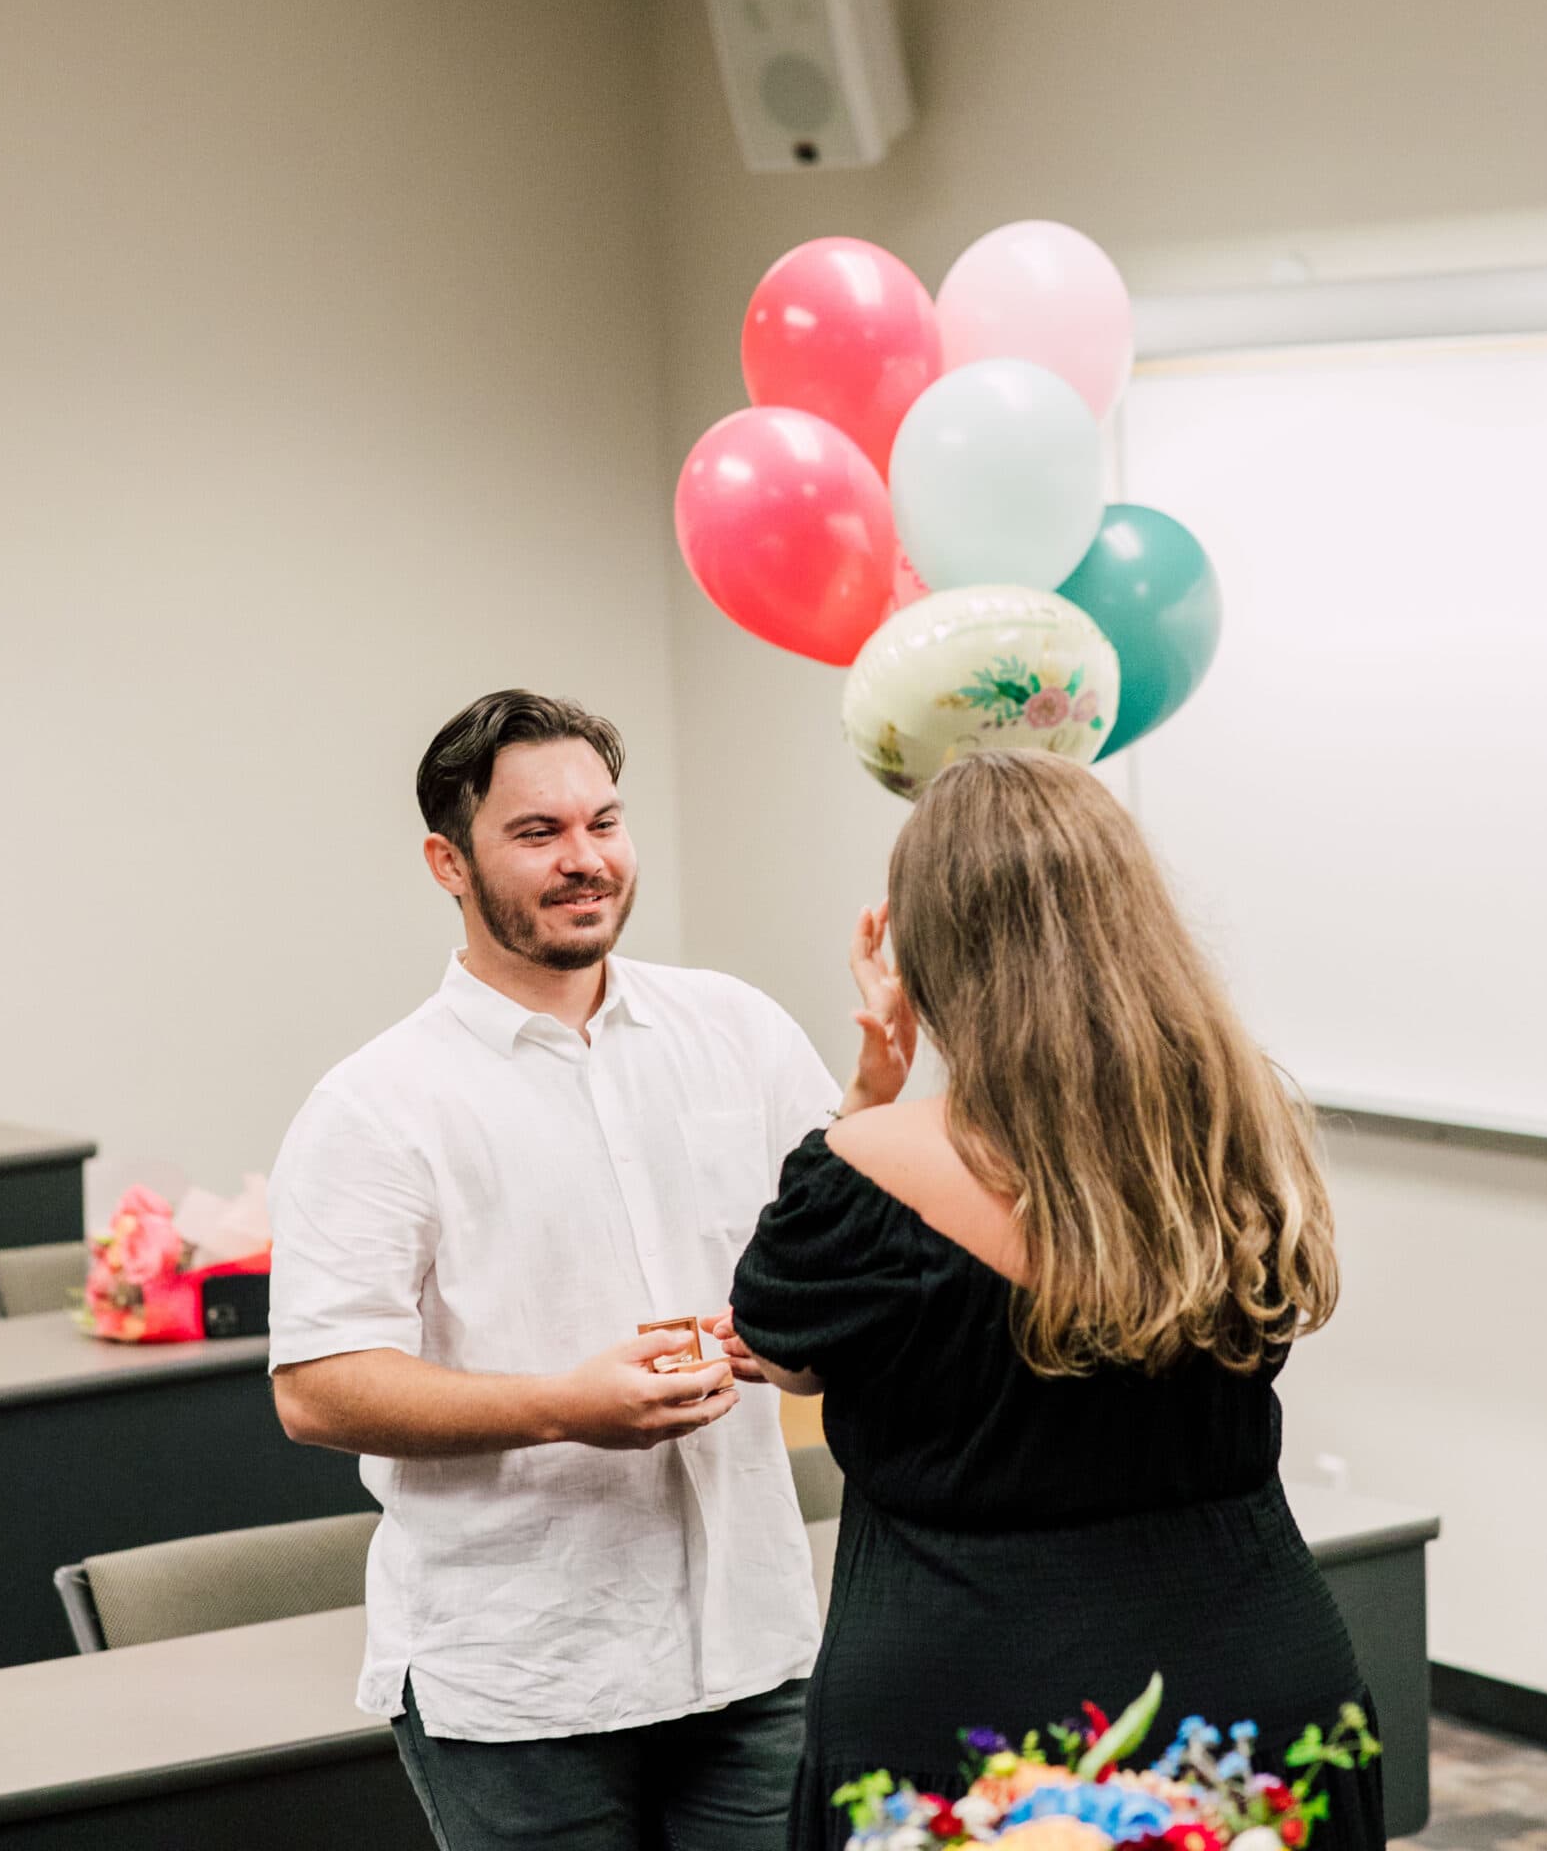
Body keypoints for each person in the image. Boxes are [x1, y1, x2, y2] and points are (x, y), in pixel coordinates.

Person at [268, 690, 904, 1851]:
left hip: (753, 1651)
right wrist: (561, 1408)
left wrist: (865, 1122)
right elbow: (317, 1388)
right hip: (519, 1685)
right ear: (445, 861)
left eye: (604, 823)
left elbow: (829, 1277)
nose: (585, 859)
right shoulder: (375, 1105)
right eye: (537, 832)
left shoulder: (738, 1029)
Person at [730, 747, 1385, 1851]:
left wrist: (868, 1096)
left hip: (964, 1715)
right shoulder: (1238, 1127)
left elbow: (783, 1349)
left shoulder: (858, 1168)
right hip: (1252, 1694)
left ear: (925, 949)